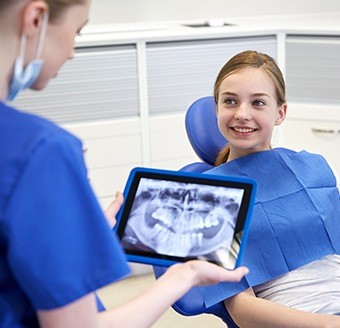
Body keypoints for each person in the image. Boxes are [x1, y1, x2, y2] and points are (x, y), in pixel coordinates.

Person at [0, 1, 249, 327]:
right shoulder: (41, 151)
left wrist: (74, 237)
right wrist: (182, 276)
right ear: (36, 18)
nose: (72, 51)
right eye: (76, 31)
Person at [196, 50, 340, 327]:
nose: (242, 114)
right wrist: (326, 324)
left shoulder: (312, 168)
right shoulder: (206, 197)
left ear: (280, 112)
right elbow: (241, 308)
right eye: (230, 101)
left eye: (258, 102)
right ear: (217, 109)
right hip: (301, 317)